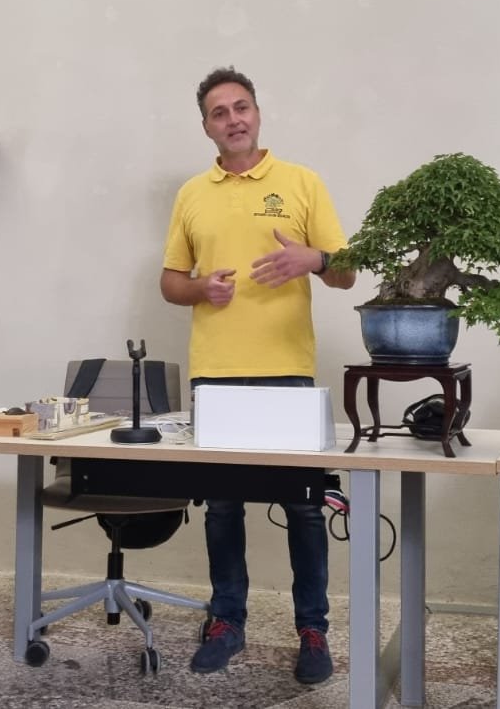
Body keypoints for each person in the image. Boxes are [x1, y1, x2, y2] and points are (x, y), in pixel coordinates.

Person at [160, 66, 356, 683]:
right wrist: (201, 289)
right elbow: (170, 283)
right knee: (222, 508)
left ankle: (313, 630)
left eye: (241, 107)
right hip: (216, 372)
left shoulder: (302, 182)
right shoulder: (193, 194)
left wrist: (313, 259)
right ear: (207, 127)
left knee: (304, 508)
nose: (233, 119)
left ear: (258, 113)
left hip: (287, 370)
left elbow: (347, 272)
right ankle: (226, 621)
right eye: (219, 113)